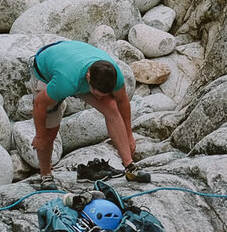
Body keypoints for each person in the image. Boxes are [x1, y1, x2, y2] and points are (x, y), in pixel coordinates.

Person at [28, 39, 150, 188]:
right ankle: (46, 174)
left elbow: (122, 102)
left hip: (74, 59)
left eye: (103, 94)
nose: (99, 98)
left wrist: (129, 135)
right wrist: (40, 135)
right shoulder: (65, 81)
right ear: (88, 78)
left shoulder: (115, 75)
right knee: (50, 130)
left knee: (111, 107)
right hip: (45, 69)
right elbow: (39, 104)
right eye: (96, 93)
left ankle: (130, 166)